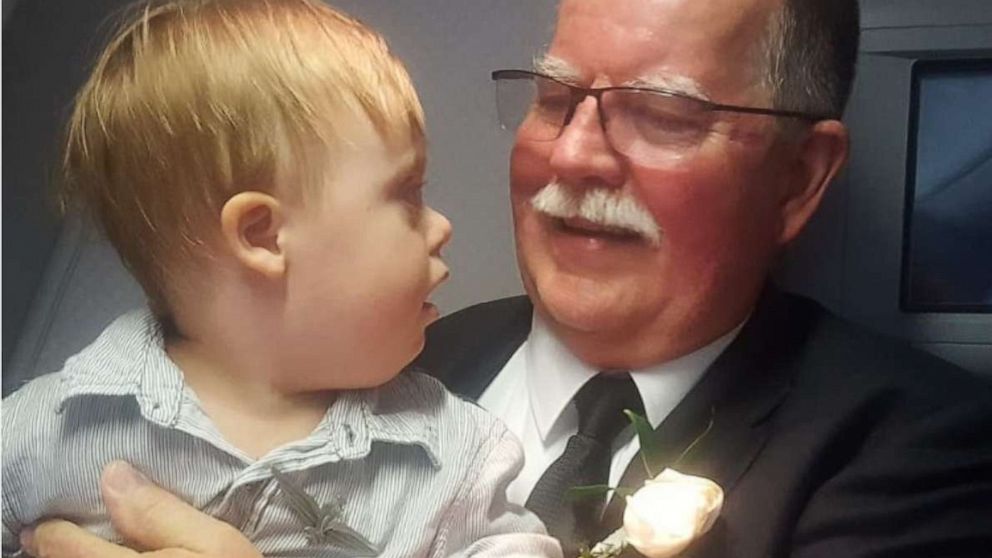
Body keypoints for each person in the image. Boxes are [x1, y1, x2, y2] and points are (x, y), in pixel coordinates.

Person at [17, 0, 992, 557]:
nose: (571, 158)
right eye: (556, 96)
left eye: (658, 111)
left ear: (797, 178)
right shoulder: (364, 357)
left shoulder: (926, 455)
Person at [1, 1, 562, 557]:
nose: (441, 226)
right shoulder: (47, 429)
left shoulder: (459, 463)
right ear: (263, 235)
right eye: (407, 195)